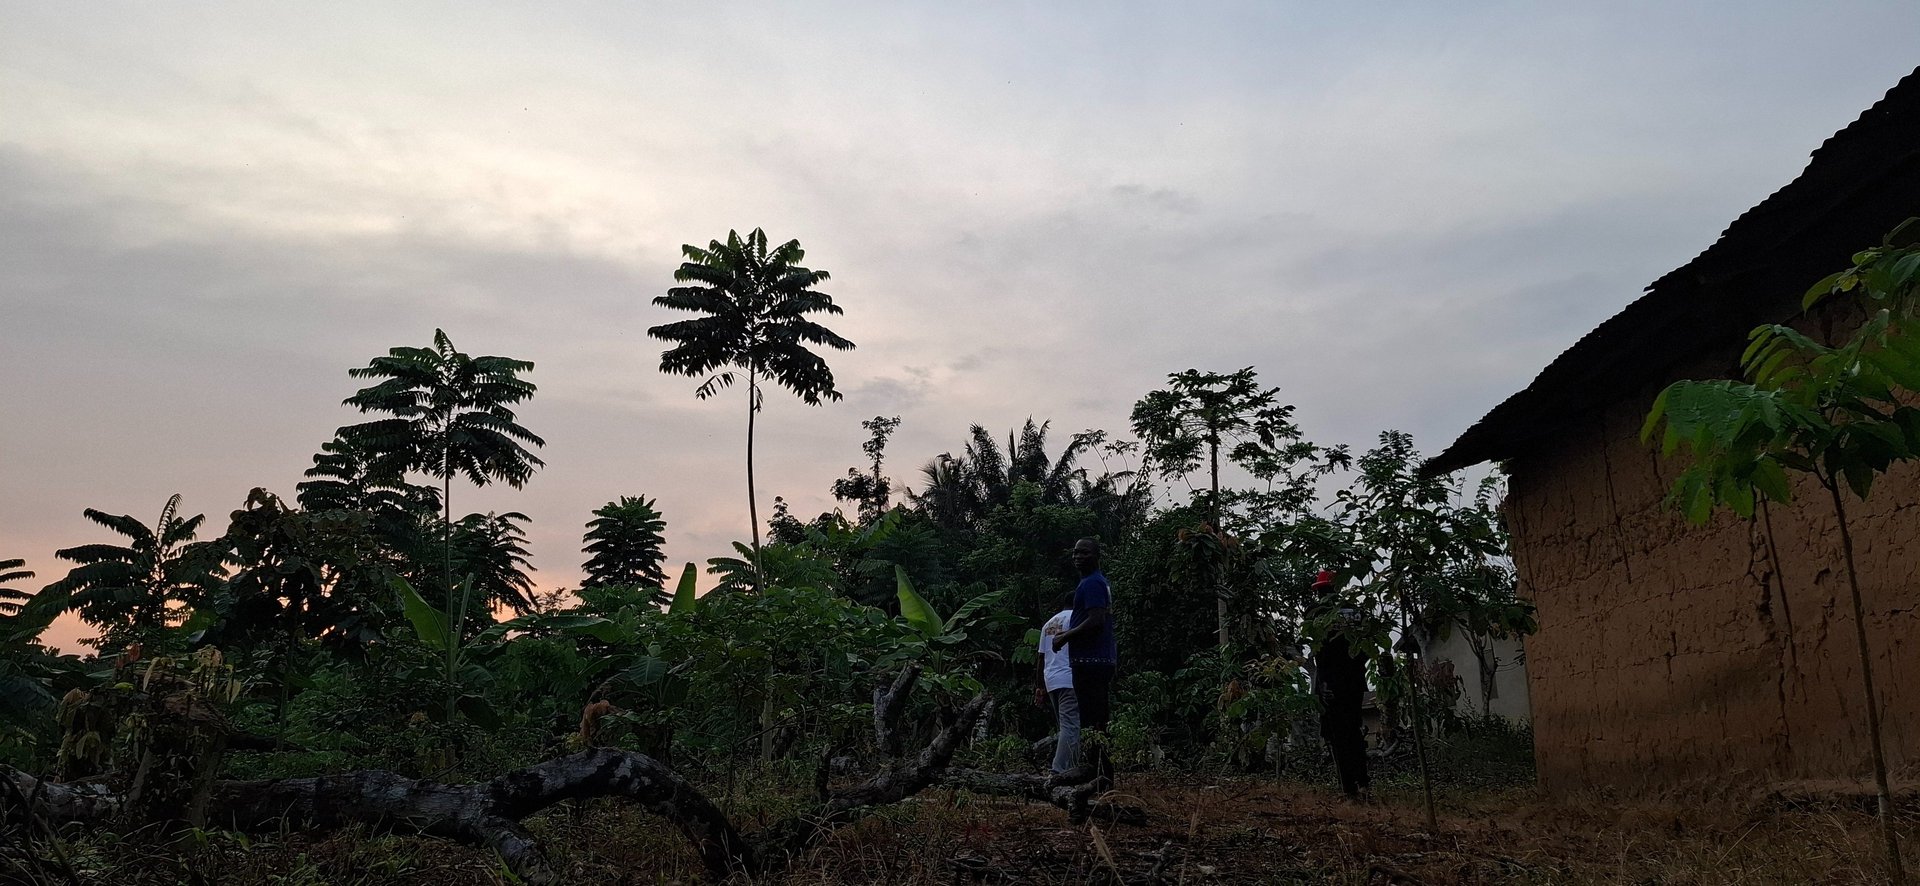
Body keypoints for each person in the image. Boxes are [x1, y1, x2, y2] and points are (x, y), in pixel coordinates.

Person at [1049, 538, 1115, 791]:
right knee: (1092, 722)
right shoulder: (1090, 582)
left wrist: (1066, 635)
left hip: (1092, 662)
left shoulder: (1093, 583)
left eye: (1084, 553)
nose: (1077, 556)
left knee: (1094, 723)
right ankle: (1098, 777)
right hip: (1091, 660)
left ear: (1097, 556)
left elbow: (1096, 620)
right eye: (1075, 552)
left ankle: (1101, 779)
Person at [1311, 569, 1372, 801]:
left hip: (1330, 685)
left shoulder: (1316, 613)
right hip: (1355, 683)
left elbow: (1318, 651)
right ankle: (1363, 782)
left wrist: (1324, 683)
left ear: (1322, 590)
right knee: (1354, 732)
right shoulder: (1357, 612)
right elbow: (1366, 646)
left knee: (1337, 737)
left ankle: (1348, 788)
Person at [1035, 606, 1080, 776]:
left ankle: (1072, 768)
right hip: (1068, 677)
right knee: (1071, 726)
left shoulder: (1048, 624)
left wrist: (1040, 687)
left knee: (1067, 727)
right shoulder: (1075, 618)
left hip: (1051, 678)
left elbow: (1041, 657)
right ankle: (1059, 770)